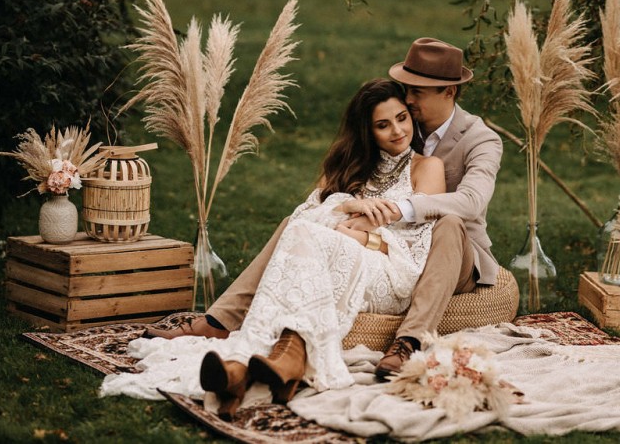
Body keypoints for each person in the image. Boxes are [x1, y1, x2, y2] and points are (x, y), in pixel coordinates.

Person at [146, 37, 515, 381]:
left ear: (448, 91)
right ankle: (221, 319)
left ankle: (410, 342)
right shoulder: (403, 123)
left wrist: (396, 210)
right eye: (406, 93)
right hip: (385, 244)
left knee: (448, 222)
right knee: (297, 224)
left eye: (416, 93)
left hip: (457, 253)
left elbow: (471, 202)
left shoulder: (480, 139)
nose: (408, 100)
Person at [100, 79, 445, 419]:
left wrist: (361, 237)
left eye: (402, 117)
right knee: (298, 230)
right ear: (367, 132)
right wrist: (346, 209)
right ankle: (265, 363)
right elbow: (304, 216)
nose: (398, 130)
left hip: (391, 275)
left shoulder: (428, 168)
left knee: (302, 236)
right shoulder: (350, 166)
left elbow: (419, 243)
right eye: (383, 125)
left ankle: (230, 339)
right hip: (333, 254)